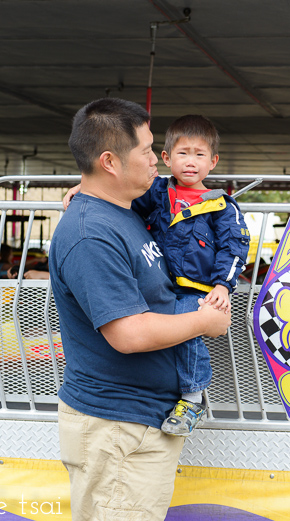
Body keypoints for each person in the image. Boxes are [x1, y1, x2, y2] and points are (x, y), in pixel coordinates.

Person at [50, 98, 231, 521]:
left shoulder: (125, 211)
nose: (157, 160)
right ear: (110, 162)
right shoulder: (91, 234)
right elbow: (128, 334)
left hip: (140, 424)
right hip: (118, 429)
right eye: (147, 150)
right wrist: (204, 321)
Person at [64, 114, 250, 436]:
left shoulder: (221, 205)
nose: (190, 162)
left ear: (213, 161)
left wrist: (223, 285)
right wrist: (84, 187)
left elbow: (235, 246)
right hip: (164, 280)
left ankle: (193, 396)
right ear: (167, 158)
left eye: (199, 155)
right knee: (173, 327)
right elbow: (117, 187)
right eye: (182, 153)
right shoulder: (159, 193)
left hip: (195, 287)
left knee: (188, 334)